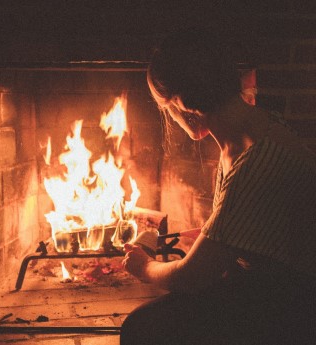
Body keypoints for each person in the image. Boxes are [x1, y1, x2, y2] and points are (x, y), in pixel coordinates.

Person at [121, 28, 316, 345]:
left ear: (180, 103)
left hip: (293, 304)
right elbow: (263, 222)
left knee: (141, 329)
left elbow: (190, 278)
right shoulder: (258, 129)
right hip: (273, 283)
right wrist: (213, 235)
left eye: (166, 108)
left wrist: (145, 267)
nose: (171, 118)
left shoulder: (254, 162)